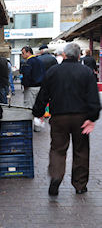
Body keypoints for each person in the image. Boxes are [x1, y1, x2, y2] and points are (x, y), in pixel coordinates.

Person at [32, 43, 101, 196]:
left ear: (64, 55)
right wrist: (92, 117)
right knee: (81, 151)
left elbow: (43, 94)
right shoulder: (86, 72)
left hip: (58, 117)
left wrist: (38, 112)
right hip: (81, 117)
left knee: (58, 149)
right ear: (78, 56)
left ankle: (56, 176)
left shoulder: (53, 71)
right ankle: (80, 185)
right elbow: (93, 97)